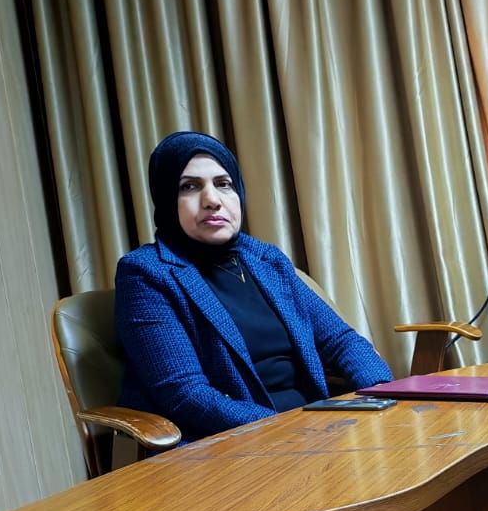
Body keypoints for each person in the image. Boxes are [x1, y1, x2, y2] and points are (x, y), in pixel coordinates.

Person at [116, 131, 392, 442]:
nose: (212, 200)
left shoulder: (265, 259)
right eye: (189, 187)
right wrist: (291, 428)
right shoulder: (145, 273)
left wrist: (381, 394)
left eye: (224, 184)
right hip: (231, 443)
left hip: (318, 428)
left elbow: (341, 341)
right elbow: (186, 395)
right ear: (166, 199)